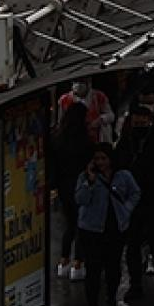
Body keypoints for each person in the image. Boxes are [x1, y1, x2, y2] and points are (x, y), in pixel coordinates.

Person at [74, 143, 141, 306]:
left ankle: (111, 298)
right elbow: (80, 199)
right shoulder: (85, 177)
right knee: (93, 269)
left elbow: (135, 193)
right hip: (91, 229)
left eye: (104, 158)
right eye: (97, 159)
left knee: (113, 266)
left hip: (115, 229)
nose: (100, 162)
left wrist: (126, 210)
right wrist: (90, 182)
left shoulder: (123, 176)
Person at [116, 102, 154, 298]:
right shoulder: (125, 143)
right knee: (133, 245)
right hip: (132, 203)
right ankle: (135, 283)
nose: (139, 125)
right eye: (136, 122)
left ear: (149, 122)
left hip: (152, 199)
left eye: (142, 122)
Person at [53, 101, 93, 281]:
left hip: (63, 185)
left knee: (69, 223)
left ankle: (63, 261)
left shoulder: (58, 138)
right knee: (81, 224)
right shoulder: (84, 140)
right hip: (80, 184)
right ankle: (78, 263)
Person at [59, 79, 116, 143]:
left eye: (82, 81)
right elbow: (61, 122)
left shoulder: (98, 96)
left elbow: (111, 116)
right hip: (74, 140)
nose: (79, 85)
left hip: (96, 139)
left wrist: (100, 119)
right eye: (76, 81)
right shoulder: (64, 99)